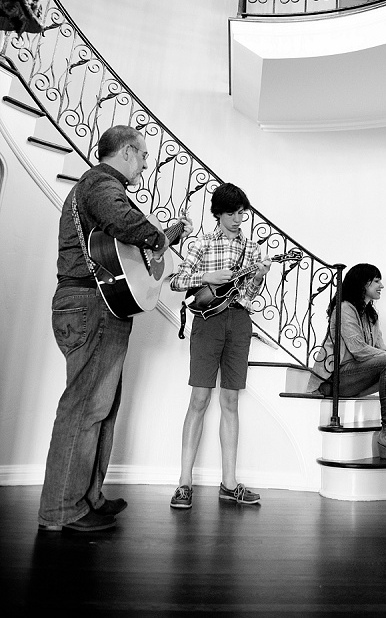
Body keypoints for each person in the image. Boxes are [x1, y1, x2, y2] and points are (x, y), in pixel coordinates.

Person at [38, 125, 192, 532]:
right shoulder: (102, 184)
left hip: (94, 305)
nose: (145, 163)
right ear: (126, 152)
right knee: (86, 409)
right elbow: (128, 224)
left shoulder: (92, 189)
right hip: (91, 306)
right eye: (142, 155)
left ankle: (88, 497)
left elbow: (124, 245)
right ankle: (61, 510)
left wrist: (162, 237)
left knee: (100, 408)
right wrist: (158, 236)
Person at [169, 182, 271, 509]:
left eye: (242, 213)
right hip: (207, 323)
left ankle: (229, 484)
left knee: (230, 401)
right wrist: (210, 277)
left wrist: (260, 275)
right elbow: (177, 281)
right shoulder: (201, 245)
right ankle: (184, 483)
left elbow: (251, 296)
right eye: (232, 213)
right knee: (199, 398)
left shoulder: (253, 251)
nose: (239, 219)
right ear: (217, 213)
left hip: (239, 322)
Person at [307, 263, 386, 460]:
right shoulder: (344, 308)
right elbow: (357, 349)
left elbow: (382, 349)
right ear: (362, 284)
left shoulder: (370, 313)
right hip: (336, 378)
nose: (381, 285)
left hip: (357, 376)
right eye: (376, 281)